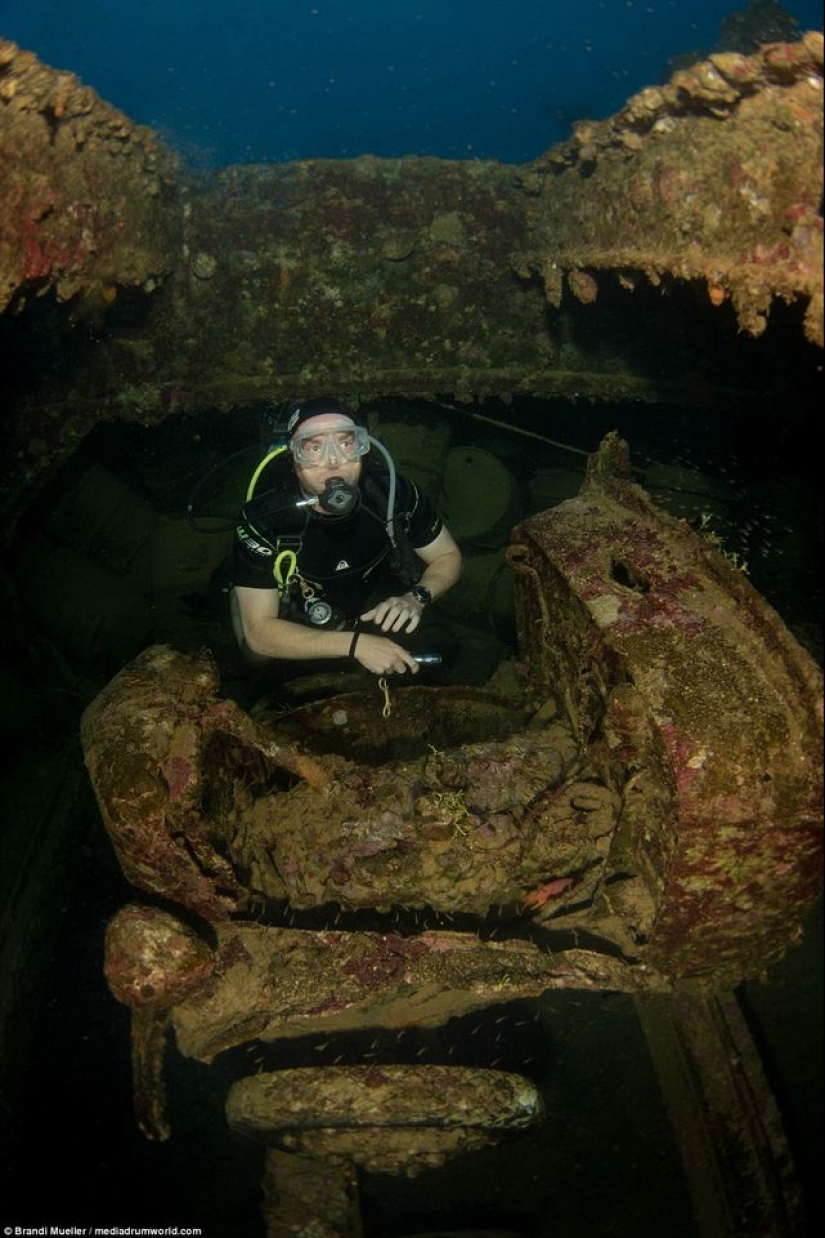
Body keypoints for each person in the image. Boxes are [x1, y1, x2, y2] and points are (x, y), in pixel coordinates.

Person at [229, 396, 462, 679]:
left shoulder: (393, 494)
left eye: (346, 442)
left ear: (364, 448)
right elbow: (259, 633)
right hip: (292, 610)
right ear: (292, 457)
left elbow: (447, 556)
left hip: (364, 601)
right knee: (257, 658)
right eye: (314, 446)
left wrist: (417, 597)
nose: (333, 461)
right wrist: (355, 645)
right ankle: (236, 595)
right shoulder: (265, 518)